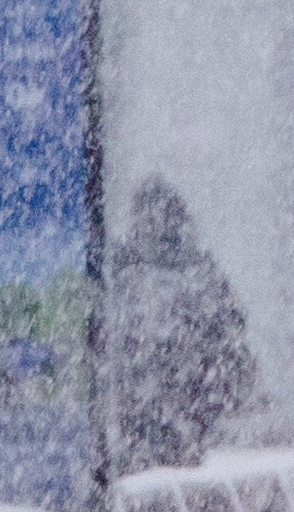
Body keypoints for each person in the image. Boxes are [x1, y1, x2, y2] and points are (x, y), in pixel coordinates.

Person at [100, 177, 257, 476]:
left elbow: (231, 366)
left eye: (153, 220)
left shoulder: (122, 278)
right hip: (180, 444)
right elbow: (233, 367)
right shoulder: (203, 279)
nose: (148, 227)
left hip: (161, 444)